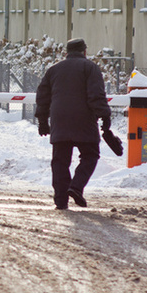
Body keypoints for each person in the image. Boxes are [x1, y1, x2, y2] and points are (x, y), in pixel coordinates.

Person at [35, 38, 111, 209]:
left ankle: (61, 200)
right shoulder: (90, 68)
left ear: (66, 52)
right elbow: (95, 95)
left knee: (60, 161)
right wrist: (105, 116)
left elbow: (43, 97)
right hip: (84, 120)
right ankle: (76, 187)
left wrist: (42, 120)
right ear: (84, 51)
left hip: (59, 120)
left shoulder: (53, 70)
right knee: (90, 155)